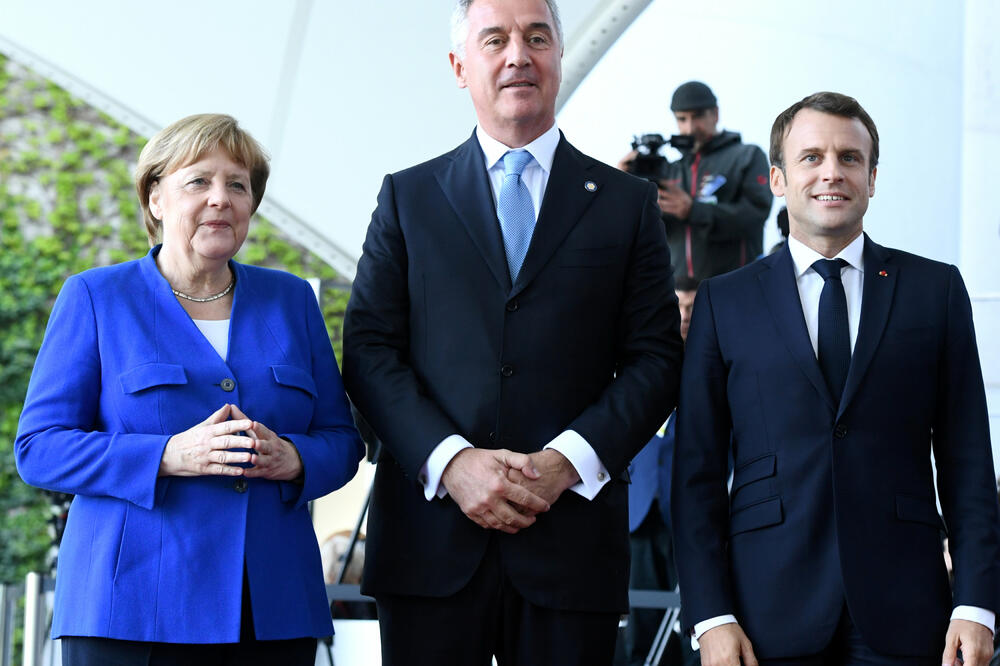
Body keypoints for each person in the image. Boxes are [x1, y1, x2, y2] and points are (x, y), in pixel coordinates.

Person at [341, 0, 683, 663]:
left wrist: (567, 464)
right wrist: (452, 463)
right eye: (494, 39)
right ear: (459, 65)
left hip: (571, 543)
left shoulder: (627, 206)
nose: (517, 55)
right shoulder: (408, 199)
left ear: (557, 55)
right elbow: (369, 350)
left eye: (537, 37)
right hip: (429, 544)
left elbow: (655, 360)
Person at [15, 114, 365, 665]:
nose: (220, 198)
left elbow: (343, 441)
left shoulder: (293, 301)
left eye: (237, 184)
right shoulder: (95, 297)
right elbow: (38, 449)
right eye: (198, 181)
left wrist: (294, 458)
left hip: (272, 609)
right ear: (155, 198)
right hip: (129, 610)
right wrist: (166, 455)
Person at [672, 92, 1000, 666]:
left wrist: (976, 606)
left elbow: (968, 461)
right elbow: (695, 472)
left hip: (909, 611)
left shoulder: (935, 291)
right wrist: (710, 617)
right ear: (777, 178)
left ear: (872, 179)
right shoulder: (726, 301)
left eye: (850, 158)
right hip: (762, 616)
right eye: (812, 157)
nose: (832, 172)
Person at [617, 276, 699, 666]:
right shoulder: (642, 364)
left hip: (692, 514)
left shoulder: (714, 367)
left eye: (691, 309)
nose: (683, 317)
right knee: (642, 629)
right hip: (639, 512)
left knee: (695, 630)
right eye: (677, 308)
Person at [619, 81, 772, 281]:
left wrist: (692, 210)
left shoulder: (747, 156)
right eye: (682, 119)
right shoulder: (668, 170)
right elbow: (637, 233)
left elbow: (755, 215)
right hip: (679, 299)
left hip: (736, 288)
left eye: (698, 116)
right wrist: (621, 185)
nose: (690, 128)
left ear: (715, 114)